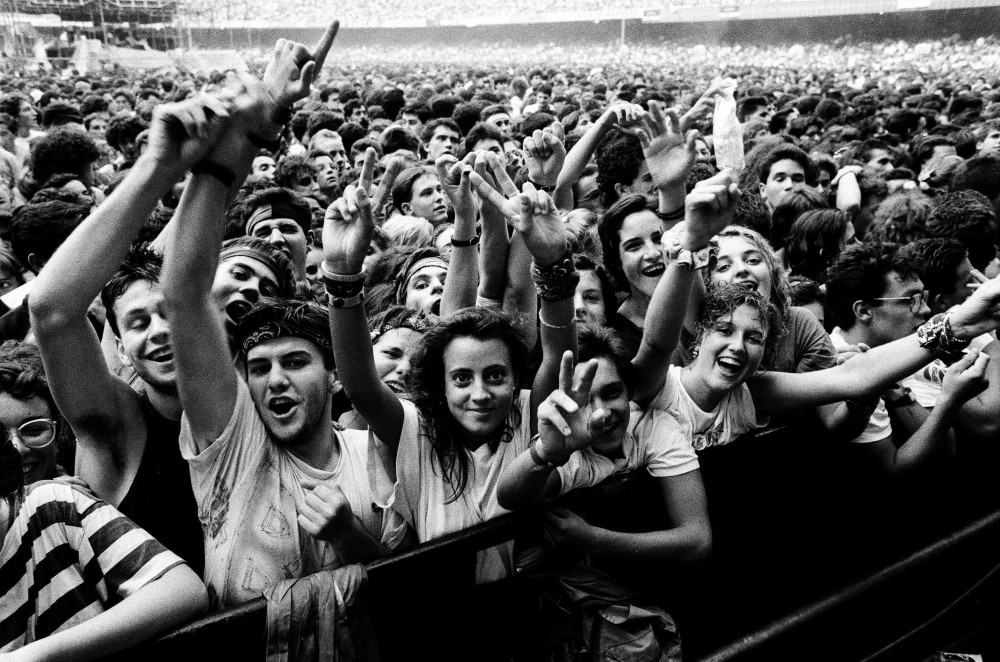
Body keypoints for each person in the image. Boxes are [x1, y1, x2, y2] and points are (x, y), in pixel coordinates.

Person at [161, 47, 411, 607]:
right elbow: (182, 291)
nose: (274, 380)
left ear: (335, 376)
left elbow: (410, 590)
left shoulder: (377, 453)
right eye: (258, 367)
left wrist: (350, 536)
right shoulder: (233, 448)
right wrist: (246, 139)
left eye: (295, 362)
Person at [327, 173, 575, 583]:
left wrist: (551, 263)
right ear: (440, 384)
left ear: (517, 379)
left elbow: (560, 356)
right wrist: (342, 274)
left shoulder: (532, 414)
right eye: (461, 379)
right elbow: (362, 386)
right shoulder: (416, 430)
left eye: (495, 375)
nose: (480, 394)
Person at [496, 326, 712, 566]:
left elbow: (698, 540)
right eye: (584, 401)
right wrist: (546, 452)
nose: (601, 413)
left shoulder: (653, 428)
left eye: (611, 393)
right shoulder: (569, 450)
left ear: (629, 392)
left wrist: (594, 540)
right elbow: (509, 498)